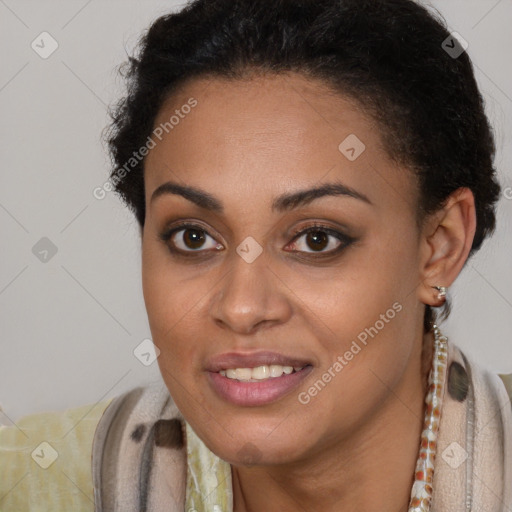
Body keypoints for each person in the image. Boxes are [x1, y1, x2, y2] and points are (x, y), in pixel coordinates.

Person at [1, 0, 511, 510]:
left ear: (438, 247)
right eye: (193, 238)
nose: (242, 307)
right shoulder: (33, 485)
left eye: (316, 239)